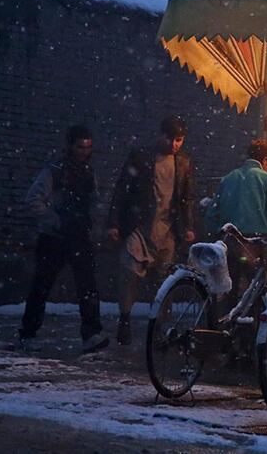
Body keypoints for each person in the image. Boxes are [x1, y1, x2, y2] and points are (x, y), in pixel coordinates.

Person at [18, 125, 109, 353]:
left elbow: (94, 200)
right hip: (54, 237)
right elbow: (33, 199)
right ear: (70, 146)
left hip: (79, 236)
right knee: (42, 285)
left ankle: (91, 334)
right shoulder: (55, 171)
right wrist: (55, 220)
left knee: (88, 286)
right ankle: (28, 332)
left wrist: (92, 223)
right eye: (80, 146)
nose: (84, 151)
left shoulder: (89, 172)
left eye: (88, 147)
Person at [107, 116, 196, 345]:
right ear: (161, 136)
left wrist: (187, 227)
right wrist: (114, 222)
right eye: (172, 139)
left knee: (164, 280)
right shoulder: (142, 157)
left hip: (167, 229)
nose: (175, 145)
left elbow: (186, 197)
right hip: (140, 225)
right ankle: (125, 319)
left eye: (179, 140)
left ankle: (159, 326)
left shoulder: (183, 162)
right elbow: (123, 189)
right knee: (129, 273)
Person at [204, 139, 267, 301]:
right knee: (257, 290)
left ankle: (226, 321)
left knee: (229, 287)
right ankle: (251, 323)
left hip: (228, 240)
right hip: (253, 243)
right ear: (266, 161)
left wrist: (215, 238)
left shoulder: (228, 178)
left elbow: (211, 214)